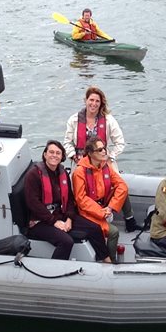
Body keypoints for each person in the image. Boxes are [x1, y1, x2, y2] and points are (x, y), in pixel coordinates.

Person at [63, 85, 138, 232]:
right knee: (79, 192)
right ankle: (87, 219)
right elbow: (67, 142)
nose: (94, 104)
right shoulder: (74, 120)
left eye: (97, 101)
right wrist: (73, 156)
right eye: (91, 100)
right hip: (81, 162)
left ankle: (129, 218)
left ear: (101, 103)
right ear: (86, 101)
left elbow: (120, 142)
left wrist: (109, 157)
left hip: (103, 161)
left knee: (119, 185)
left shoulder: (109, 120)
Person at [23, 140, 108, 262]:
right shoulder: (34, 175)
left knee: (95, 228)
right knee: (66, 241)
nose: (54, 155)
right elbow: (33, 203)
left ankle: (106, 260)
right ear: (45, 154)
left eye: (58, 153)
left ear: (62, 156)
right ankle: (55, 271)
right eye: (51, 152)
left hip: (60, 215)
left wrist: (69, 218)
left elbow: (69, 199)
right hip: (40, 221)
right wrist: (54, 222)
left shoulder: (62, 173)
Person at [72, 136, 128, 262]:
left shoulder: (105, 166)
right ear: (91, 154)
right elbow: (81, 199)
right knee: (113, 232)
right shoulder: (79, 172)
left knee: (123, 193)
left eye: (104, 148)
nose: (104, 152)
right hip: (87, 212)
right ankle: (110, 261)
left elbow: (122, 186)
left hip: (104, 207)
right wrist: (101, 212)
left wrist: (111, 207)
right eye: (100, 150)